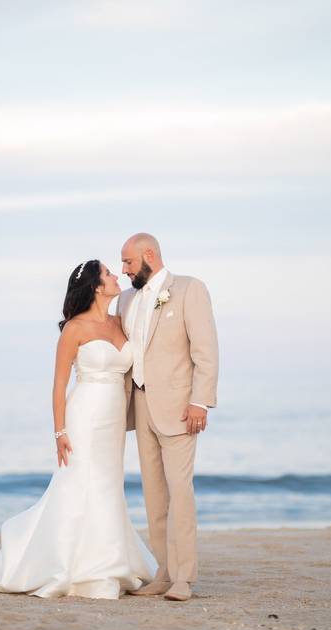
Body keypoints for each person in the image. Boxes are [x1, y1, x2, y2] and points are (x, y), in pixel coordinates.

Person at [0, 259, 157, 599]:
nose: (116, 275)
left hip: (115, 417)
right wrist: (60, 433)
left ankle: (108, 559)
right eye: (108, 273)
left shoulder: (121, 322)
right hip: (85, 414)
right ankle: (78, 565)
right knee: (79, 482)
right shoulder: (75, 328)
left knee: (107, 484)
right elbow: (59, 386)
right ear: (96, 286)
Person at [118, 232, 219, 602]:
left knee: (180, 492)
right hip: (140, 405)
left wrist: (200, 402)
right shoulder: (126, 299)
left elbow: (205, 351)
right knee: (154, 494)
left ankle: (183, 577)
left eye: (128, 262)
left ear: (149, 255)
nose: (124, 270)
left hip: (179, 407)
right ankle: (161, 572)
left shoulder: (189, 289)